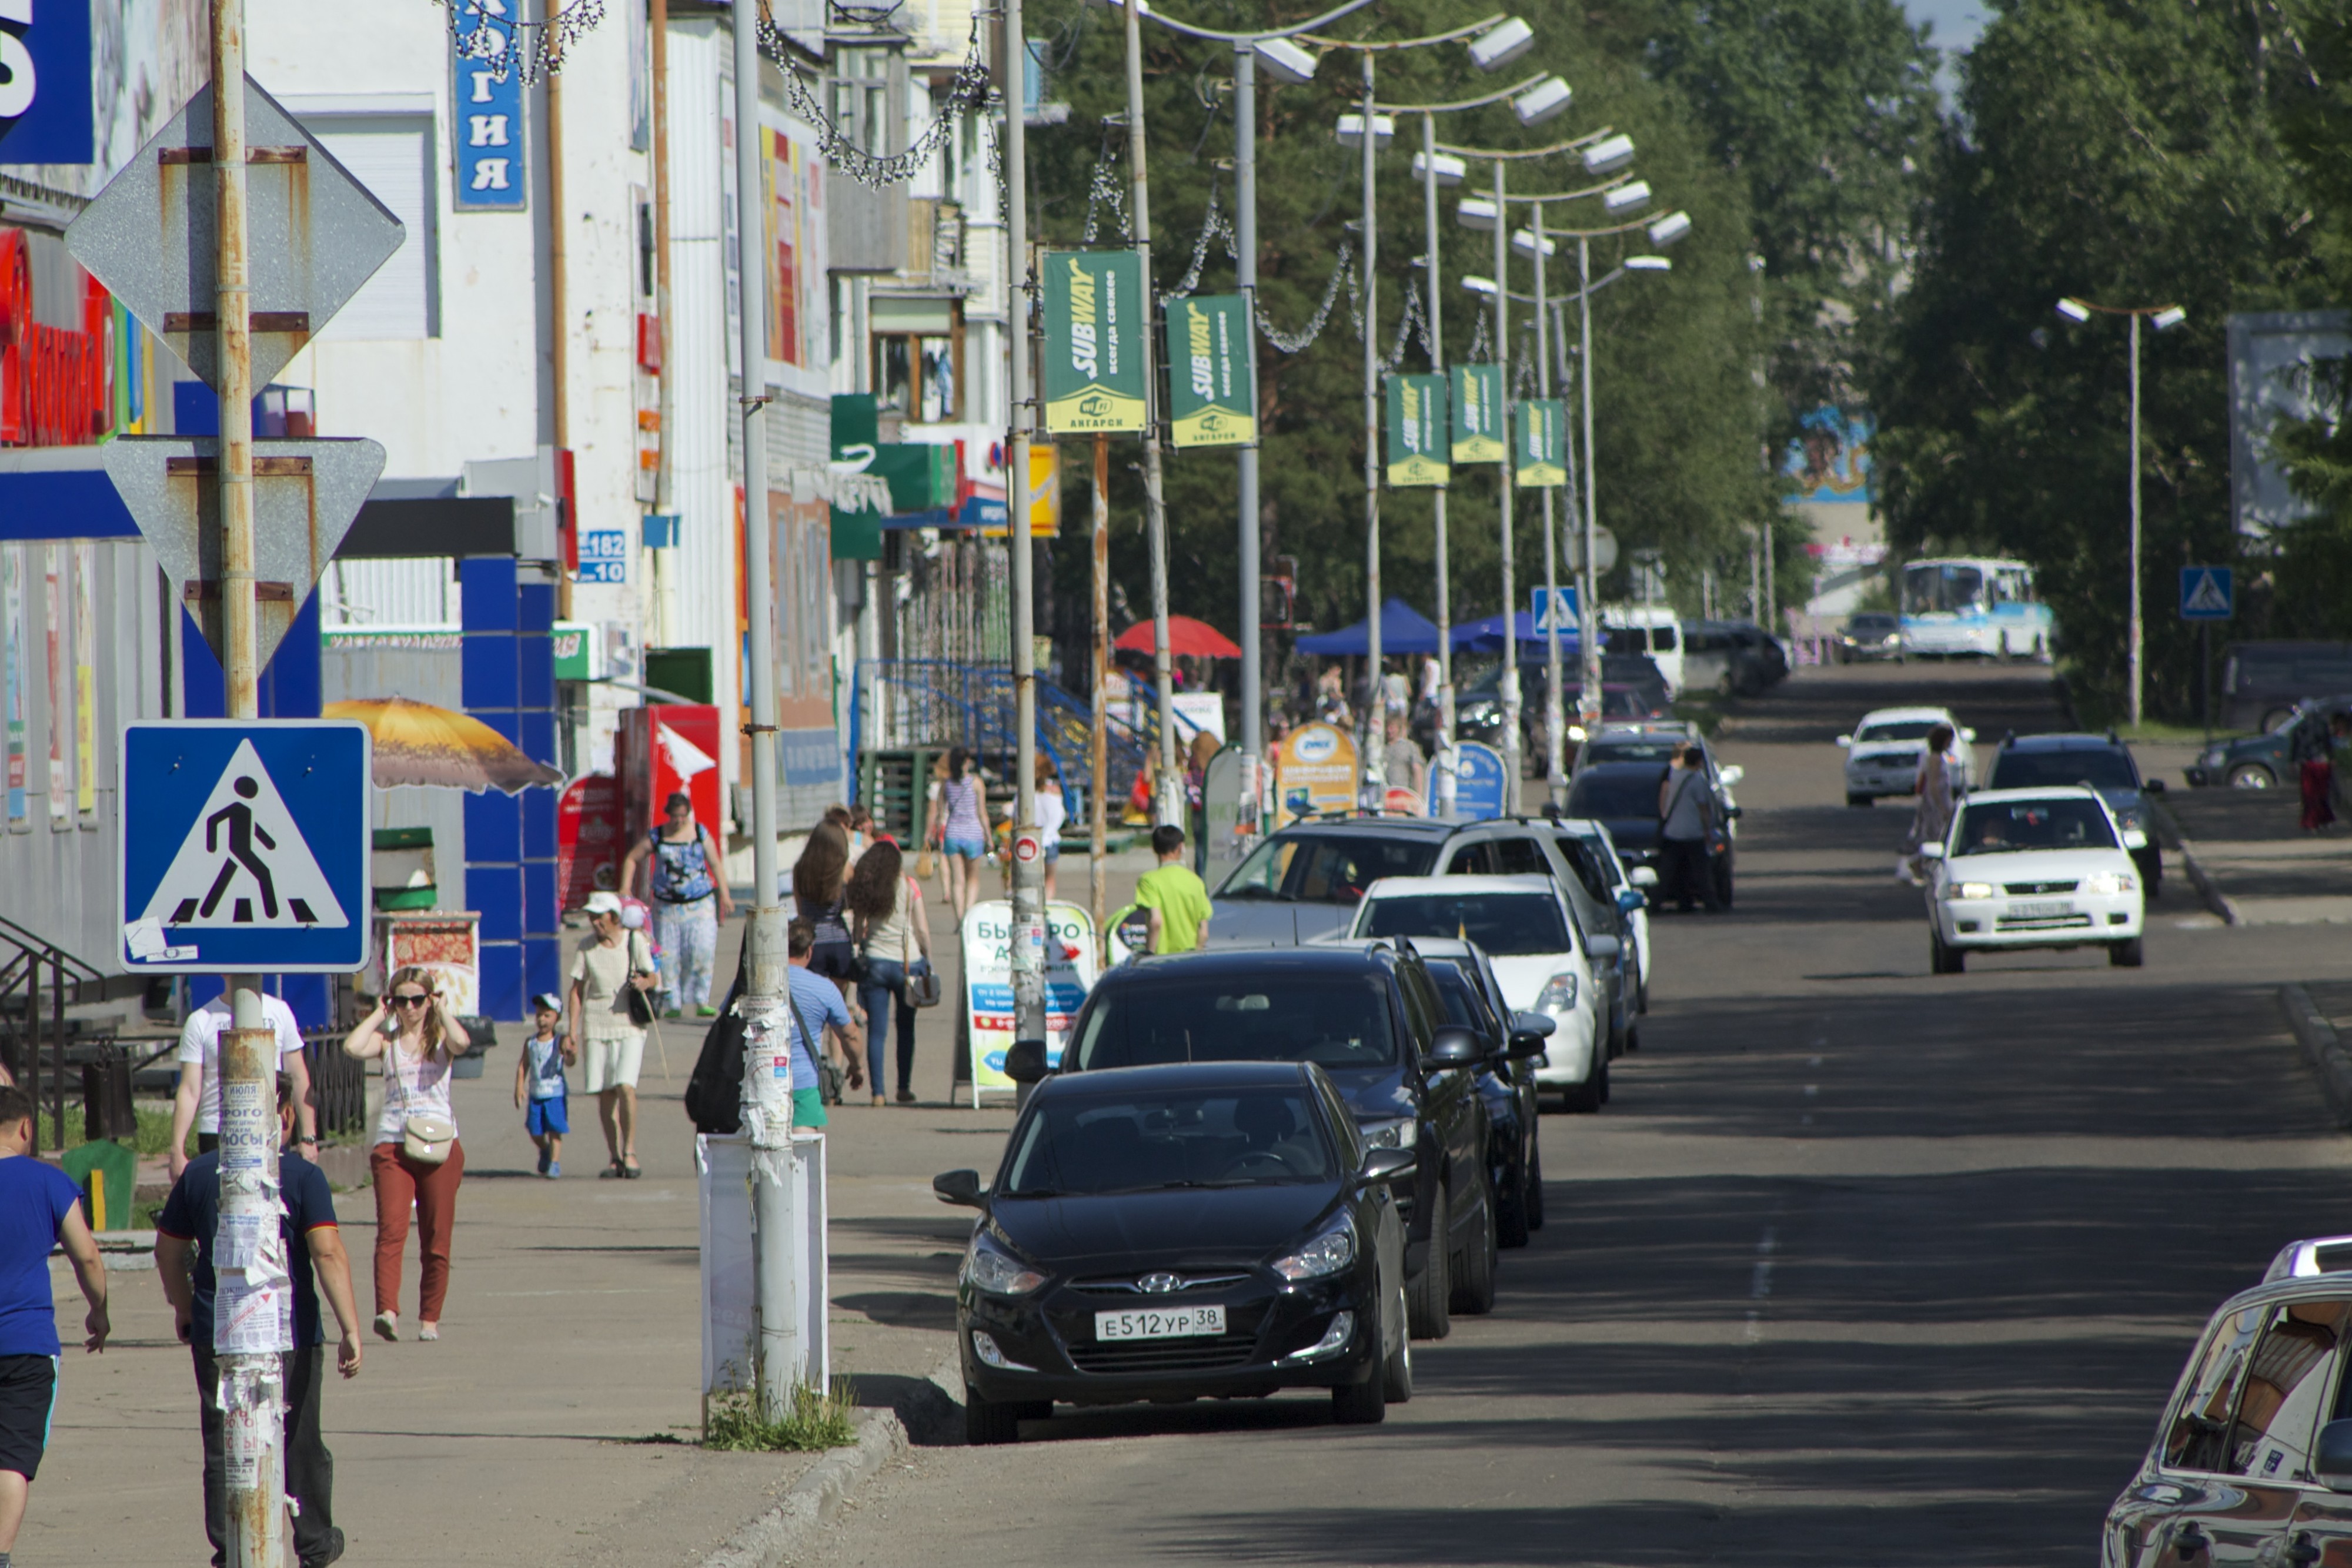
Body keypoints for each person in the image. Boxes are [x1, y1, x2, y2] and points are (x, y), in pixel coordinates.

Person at [156, 1071, 359, 1568]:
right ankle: (313, 1542)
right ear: (285, 1115)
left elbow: (168, 1251)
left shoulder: (201, 1175)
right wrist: (352, 1328)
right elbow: (327, 1251)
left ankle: (231, 1546)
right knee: (299, 1437)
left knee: (225, 1438)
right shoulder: (304, 1177)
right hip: (291, 1331)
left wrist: (183, 1307)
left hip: (217, 1330)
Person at [0, 1085, 107, 1568]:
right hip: (27, 1343)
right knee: (13, 1459)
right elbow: (86, 1253)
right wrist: (98, 1310)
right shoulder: (49, 1181)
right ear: (25, 1127)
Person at [342, 967, 470, 1340]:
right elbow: (352, 1047)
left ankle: (430, 1319)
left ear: (429, 1000)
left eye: (417, 1000)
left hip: (441, 1144)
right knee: (391, 1230)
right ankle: (387, 1312)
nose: (410, 1007)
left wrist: (442, 1010)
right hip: (394, 1144)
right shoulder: (388, 1043)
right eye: (402, 1000)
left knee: (436, 1235)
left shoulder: (441, 1039)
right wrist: (380, 1014)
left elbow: (462, 1044)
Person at [168, 989, 315, 1178]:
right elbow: (189, 1090)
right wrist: (177, 1150)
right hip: (217, 1132)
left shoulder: (279, 1011)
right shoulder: (201, 1020)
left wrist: (308, 1137)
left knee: (271, 1202)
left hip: (269, 1131)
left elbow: (298, 1076)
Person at [566, 890, 657, 1179]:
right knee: (605, 1091)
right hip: (596, 1024)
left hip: (630, 1024)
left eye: (598, 917)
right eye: (591, 917)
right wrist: (572, 1031)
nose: (594, 922)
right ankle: (615, 1155)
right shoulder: (586, 947)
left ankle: (630, 1150)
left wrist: (644, 982)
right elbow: (577, 991)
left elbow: (653, 976)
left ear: (614, 917)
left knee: (625, 1085)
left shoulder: (635, 940)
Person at [618, 791, 733, 1019]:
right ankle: (672, 1002)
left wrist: (726, 895)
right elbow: (632, 858)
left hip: (700, 904)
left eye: (683, 816)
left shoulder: (700, 833)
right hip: (667, 907)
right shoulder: (658, 836)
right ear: (668, 815)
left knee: (701, 951)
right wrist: (625, 888)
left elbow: (715, 864)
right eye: (675, 816)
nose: (680, 821)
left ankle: (701, 999)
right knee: (669, 956)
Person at [847, 841, 932, 1107]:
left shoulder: (866, 888)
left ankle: (878, 1093)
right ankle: (903, 1088)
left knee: (877, 1031)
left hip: (875, 962)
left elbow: (858, 928)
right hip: (907, 964)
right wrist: (928, 957)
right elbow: (922, 930)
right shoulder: (909, 886)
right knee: (906, 1028)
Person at [781, 919, 863, 1128]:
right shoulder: (823, 988)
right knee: (805, 1153)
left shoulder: (752, 982)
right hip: (802, 1085)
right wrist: (856, 1068)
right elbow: (850, 1035)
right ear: (810, 951)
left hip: (757, 1083)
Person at [514, 991, 573, 1178]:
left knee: (555, 1129)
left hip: (555, 1093)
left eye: (547, 1015)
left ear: (557, 1018)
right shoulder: (531, 1043)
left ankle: (554, 1163)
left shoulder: (560, 1041)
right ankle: (544, 1150)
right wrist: (519, 1087)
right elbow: (523, 1065)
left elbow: (570, 1062)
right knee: (535, 1130)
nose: (542, 1020)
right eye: (539, 1015)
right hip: (536, 1094)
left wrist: (570, 1052)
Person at [1656, 745, 1718, 912]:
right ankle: (1710, 903)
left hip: (1673, 831)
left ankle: (1657, 902)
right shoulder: (1697, 780)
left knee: (1669, 871)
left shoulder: (1674, 776)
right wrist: (1708, 830)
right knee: (1701, 871)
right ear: (1698, 762)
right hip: (1693, 832)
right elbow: (1703, 808)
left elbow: (1664, 799)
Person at [934, 747, 991, 923]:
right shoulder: (976, 783)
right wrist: (989, 837)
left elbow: (940, 813)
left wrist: (937, 835)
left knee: (957, 880)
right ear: (966, 762)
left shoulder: (946, 784)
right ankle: (968, 914)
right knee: (972, 878)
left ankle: (959, 918)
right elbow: (982, 813)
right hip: (973, 834)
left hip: (953, 833)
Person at [1136, 824, 1212, 954]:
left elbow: (1156, 922)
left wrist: (1149, 955)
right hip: (1189, 959)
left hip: (1162, 961)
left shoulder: (1148, 881)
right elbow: (1204, 932)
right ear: (1181, 847)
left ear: (1154, 849)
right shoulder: (1196, 881)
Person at [1905, 724, 1959, 882]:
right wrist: (1942, 808)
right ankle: (1918, 866)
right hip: (1935, 804)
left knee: (1933, 836)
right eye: (1949, 740)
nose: (1951, 744)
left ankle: (1923, 868)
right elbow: (1933, 786)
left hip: (1938, 802)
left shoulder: (1937, 757)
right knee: (1935, 837)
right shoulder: (1935, 759)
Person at [2293, 704, 2337, 832]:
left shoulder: (2301, 728)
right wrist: (2331, 758)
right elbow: (2327, 743)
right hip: (2320, 763)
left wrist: (2295, 760)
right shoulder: (2320, 726)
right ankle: (2322, 819)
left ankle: (2312, 821)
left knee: (2310, 794)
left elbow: (2298, 746)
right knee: (2321, 794)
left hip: (2309, 764)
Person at [1034, 753, 1067, 902]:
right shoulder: (1055, 792)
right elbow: (1060, 816)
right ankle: (1046, 905)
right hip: (1051, 839)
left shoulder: (1025, 793)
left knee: (1031, 879)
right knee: (1050, 879)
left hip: (1032, 840)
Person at [1382, 715, 1425, 802]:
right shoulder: (1381, 748)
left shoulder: (1409, 747)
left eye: (1392, 727)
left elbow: (1417, 771)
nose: (1389, 731)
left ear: (1399, 728)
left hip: (1403, 797)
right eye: (1387, 727)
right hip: (1384, 798)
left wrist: (1418, 798)